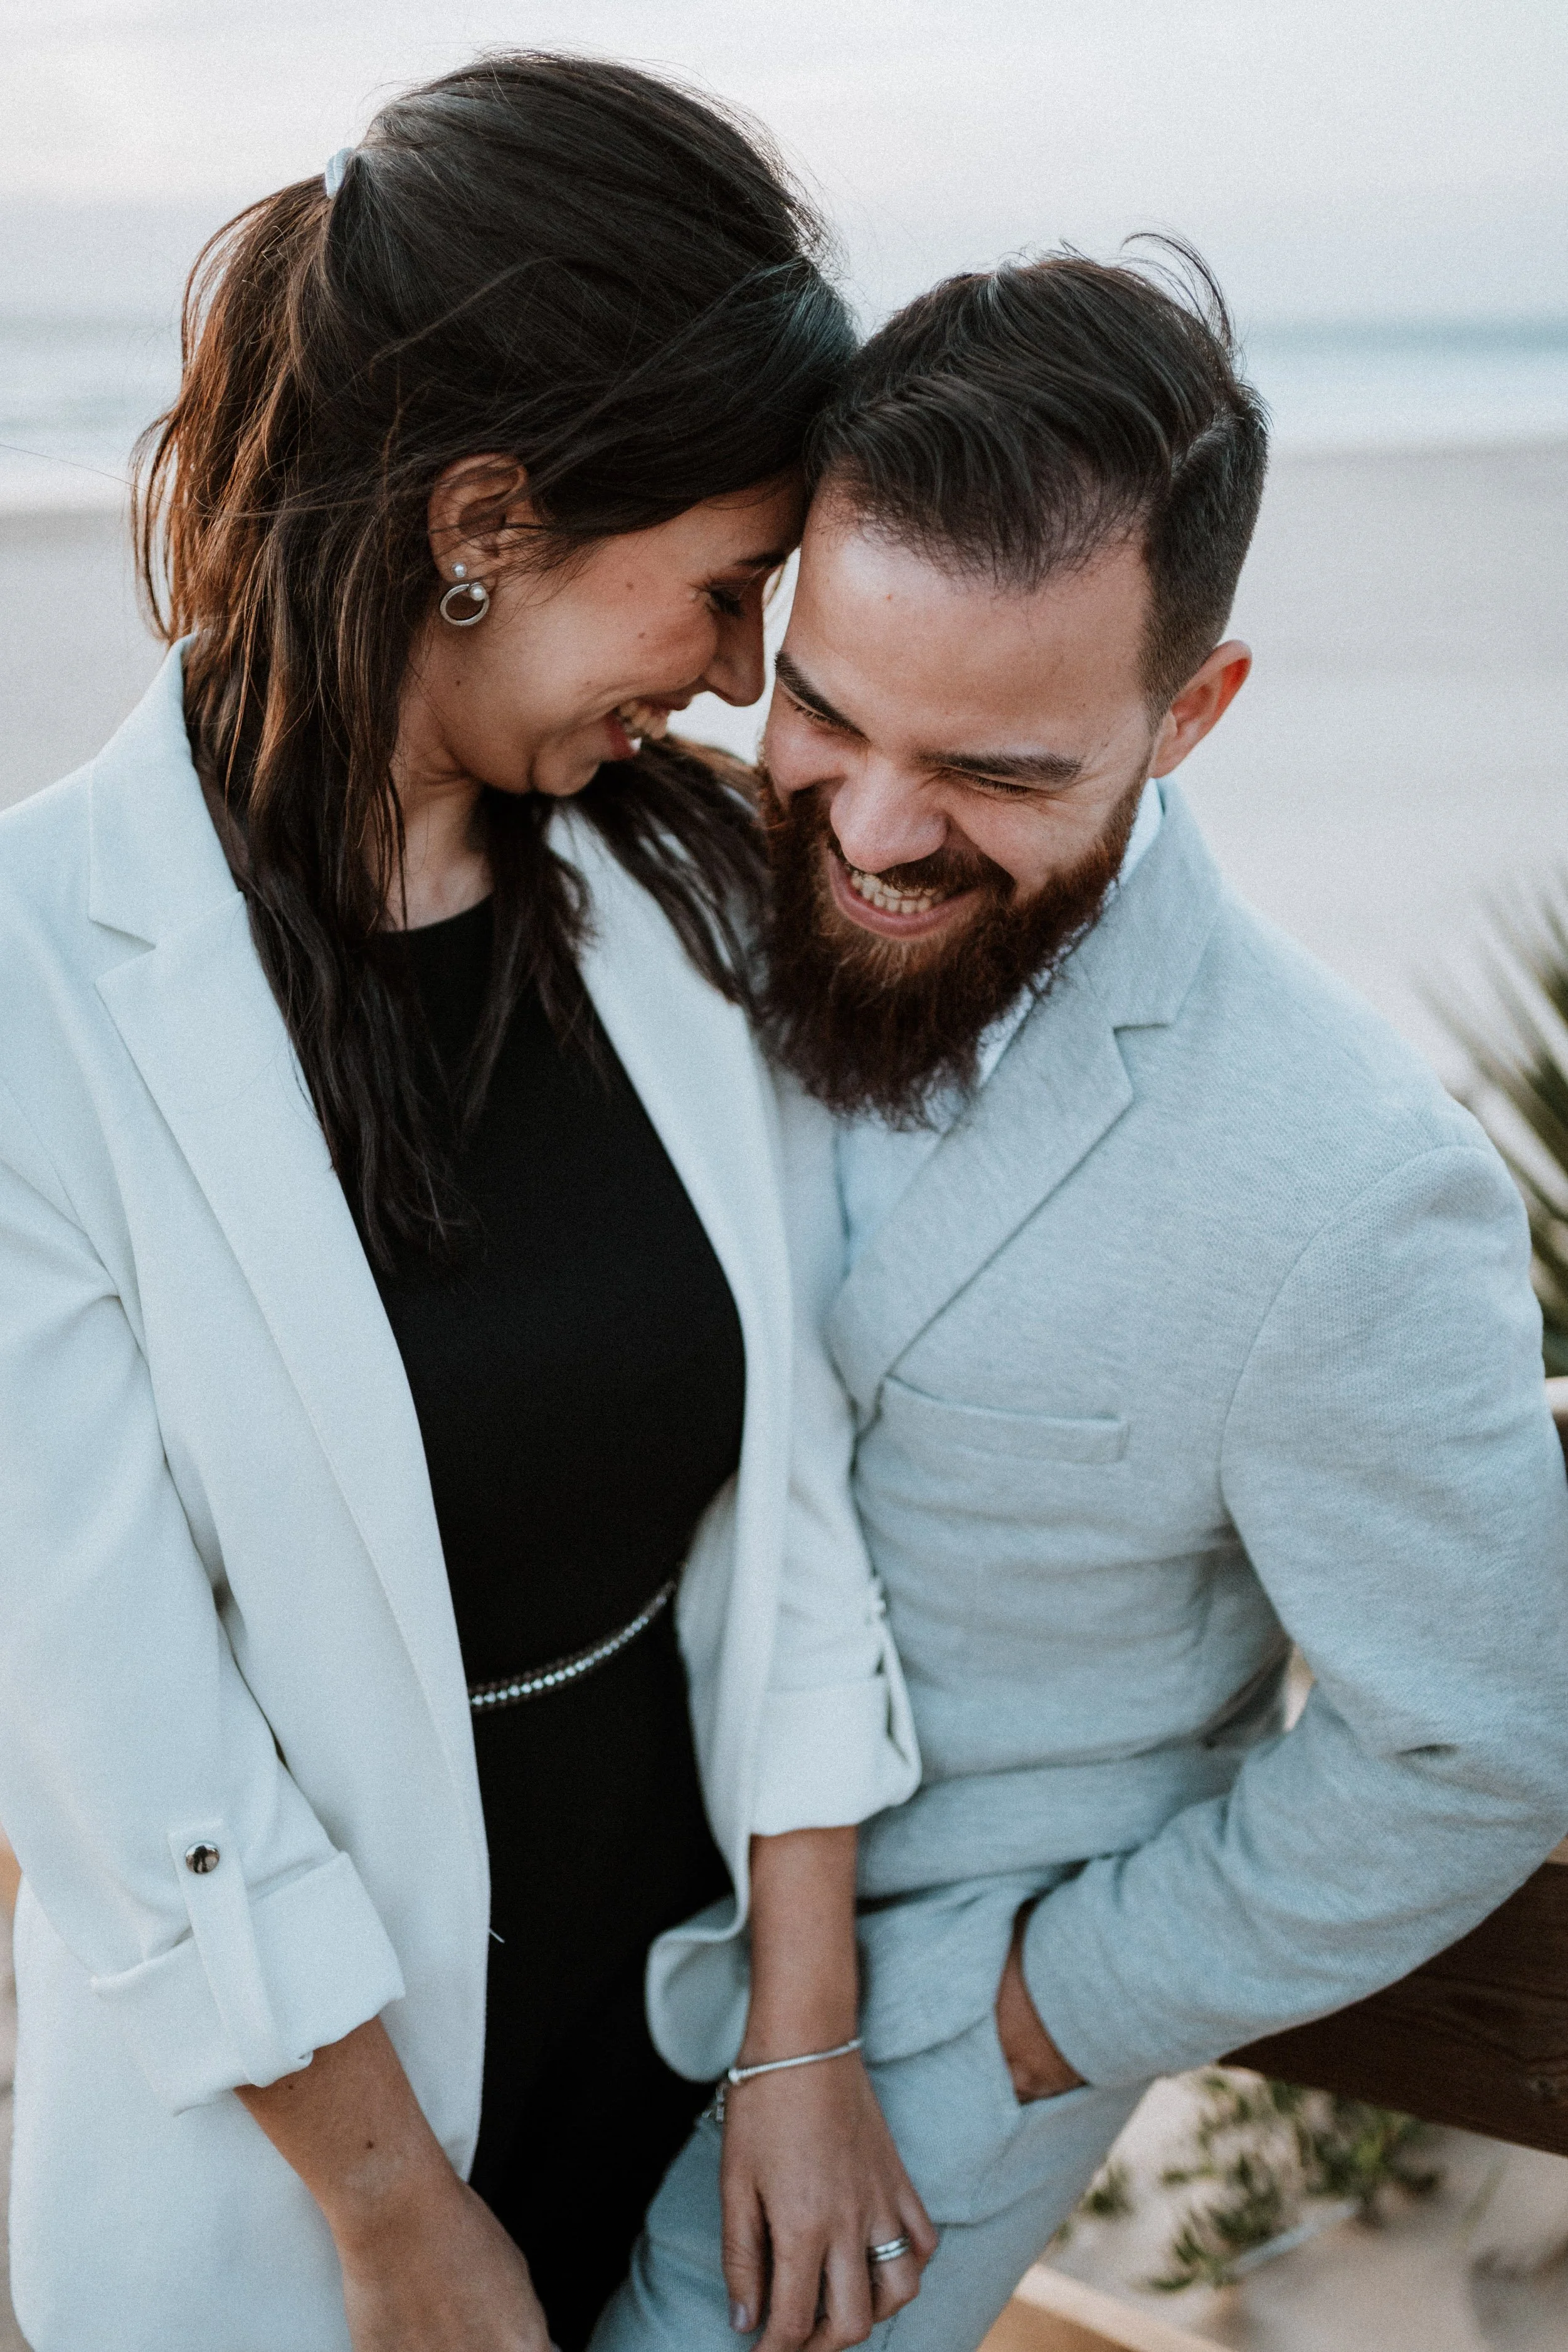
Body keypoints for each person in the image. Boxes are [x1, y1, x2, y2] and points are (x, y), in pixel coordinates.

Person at [0, 55, 936, 2352]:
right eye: (716, 590)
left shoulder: (678, 888)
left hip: (685, 2084)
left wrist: (802, 2047)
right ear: (484, 519)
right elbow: (121, 1732)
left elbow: (793, 1507)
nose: (740, 675)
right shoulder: (37, 981)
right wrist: (402, 2225)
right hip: (301, 2172)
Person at [594, 248, 1568, 2351]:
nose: (867, 823)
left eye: (996, 774)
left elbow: (1479, 1736)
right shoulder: (657, 897)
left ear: (1189, 712)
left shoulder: (1343, 1181)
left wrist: (1052, 2010)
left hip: (933, 2048)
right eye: (825, 710)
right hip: (534, 1931)